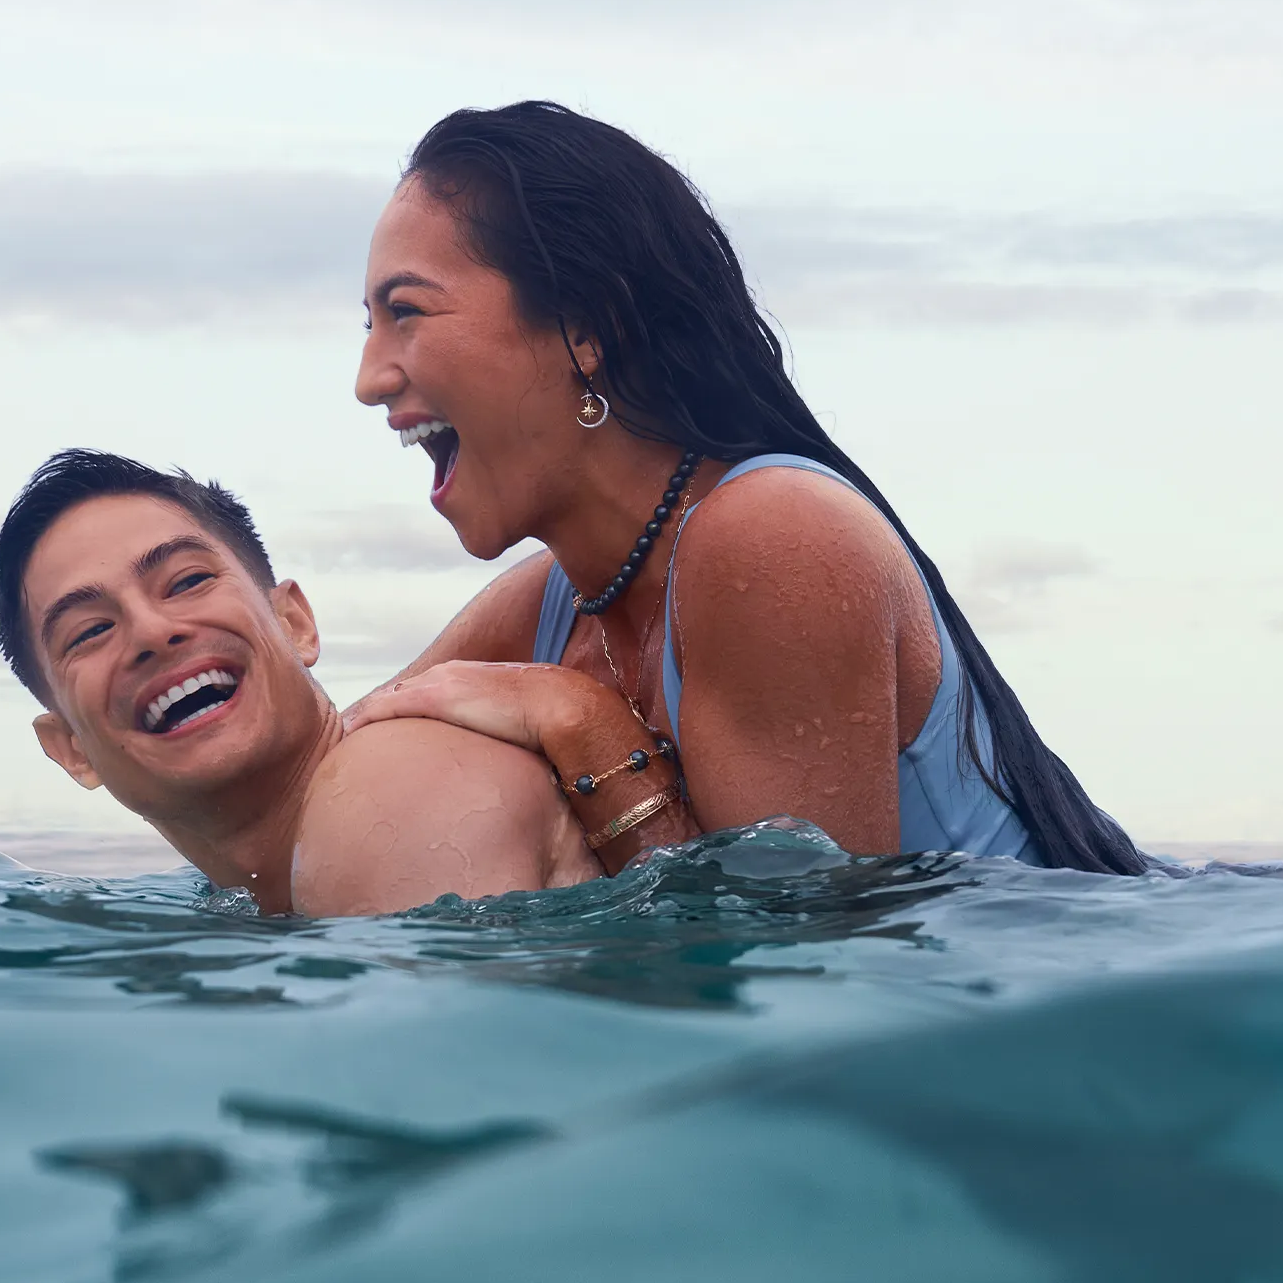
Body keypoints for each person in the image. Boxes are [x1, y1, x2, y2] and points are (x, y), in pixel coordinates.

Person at [345, 101, 1147, 876]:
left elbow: (793, 961)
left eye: (405, 311)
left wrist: (579, 723)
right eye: (368, 325)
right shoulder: (547, 607)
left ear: (585, 329)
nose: (368, 378)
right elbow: (316, 786)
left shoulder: (777, 534)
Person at [0, 449, 599, 915]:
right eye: (90, 631)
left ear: (294, 623)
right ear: (71, 749)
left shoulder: (394, 784)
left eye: (185, 582)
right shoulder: (270, 887)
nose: (152, 631)